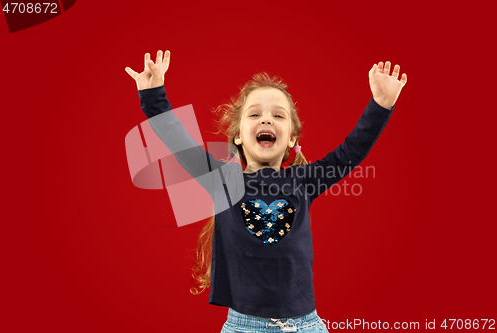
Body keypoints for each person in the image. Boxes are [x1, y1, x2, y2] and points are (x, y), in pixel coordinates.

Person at [125, 50, 407, 332]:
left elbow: (348, 153)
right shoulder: (223, 179)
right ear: (237, 136)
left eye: (278, 115)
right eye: (255, 113)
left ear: (292, 139)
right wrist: (153, 95)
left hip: (306, 326)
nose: (267, 120)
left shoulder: (304, 181)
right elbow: (178, 141)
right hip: (244, 327)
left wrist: (380, 105)